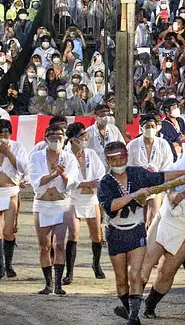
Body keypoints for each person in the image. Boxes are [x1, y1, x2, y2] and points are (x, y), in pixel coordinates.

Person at [98, 139, 185, 325]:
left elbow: (164, 177)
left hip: (137, 231)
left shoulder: (137, 174)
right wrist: (134, 195)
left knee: (136, 274)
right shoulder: (105, 183)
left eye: (121, 158)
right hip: (116, 232)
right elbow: (110, 206)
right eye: (113, 160)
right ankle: (129, 309)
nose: (118, 163)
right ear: (107, 161)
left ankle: (133, 318)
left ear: (127, 157)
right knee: (122, 279)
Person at [29, 122, 81, 295]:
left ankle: (58, 284)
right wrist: (53, 174)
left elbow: (72, 182)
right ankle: (48, 283)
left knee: (59, 243)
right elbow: (35, 180)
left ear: (64, 139)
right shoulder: (36, 156)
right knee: (44, 245)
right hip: (42, 203)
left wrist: (63, 174)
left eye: (59, 138)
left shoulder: (69, 158)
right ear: (46, 139)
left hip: (61, 204)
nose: (56, 141)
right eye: (52, 138)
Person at [64, 120, 107, 283]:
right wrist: (83, 184)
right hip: (73, 198)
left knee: (96, 234)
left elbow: (101, 173)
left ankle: (96, 265)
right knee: (73, 233)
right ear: (74, 139)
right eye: (83, 135)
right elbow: (67, 179)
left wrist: (92, 184)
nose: (86, 137)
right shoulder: (66, 155)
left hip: (91, 197)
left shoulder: (90, 153)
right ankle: (69, 272)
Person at [0, 116, 28, 279]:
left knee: (9, 231)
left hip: (10, 190)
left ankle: (9, 264)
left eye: (6, 134)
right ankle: (0, 266)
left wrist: (8, 152)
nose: (3, 138)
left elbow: (23, 167)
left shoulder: (17, 147)